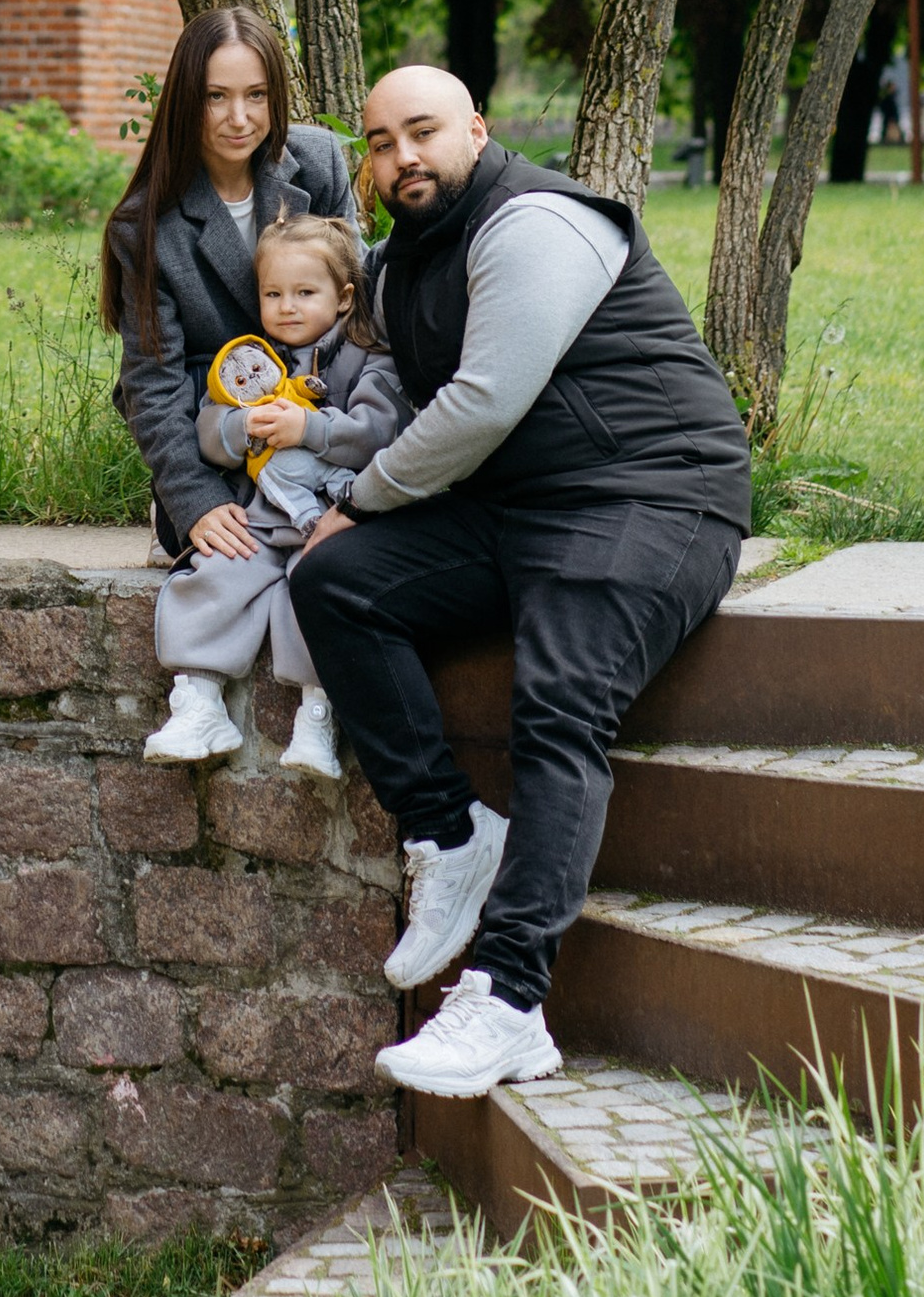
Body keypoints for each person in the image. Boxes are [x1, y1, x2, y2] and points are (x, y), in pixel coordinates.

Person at [288, 64, 751, 1105]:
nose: (401, 157)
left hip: (648, 490)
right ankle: (451, 835)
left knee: (558, 705)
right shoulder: (403, 263)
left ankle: (507, 1002)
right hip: (516, 504)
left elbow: (485, 402)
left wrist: (359, 496)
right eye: (378, 142)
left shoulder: (536, 222)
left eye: (422, 133)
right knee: (337, 584)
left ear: (475, 130)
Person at [101, 4, 360, 593]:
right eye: (216, 97)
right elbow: (151, 379)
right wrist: (194, 500)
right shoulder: (144, 225)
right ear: (187, 99)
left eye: (257, 95)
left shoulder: (316, 164)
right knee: (234, 551)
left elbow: (359, 306)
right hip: (211, 422)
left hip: (320, 401)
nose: (239, 118)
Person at [145, 211, 407, 778]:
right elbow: (207, 430)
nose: (287, 307)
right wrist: (239, 430)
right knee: (217, 571)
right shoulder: (250, 361)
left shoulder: (367, 355)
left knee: (315, 592)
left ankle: (318, 714)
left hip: (334, 519)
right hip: (263, 518)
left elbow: (379, 432)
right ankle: (199, 699)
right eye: (273, 293)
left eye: (304, 293)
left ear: (341, 298)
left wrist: (309, 429)